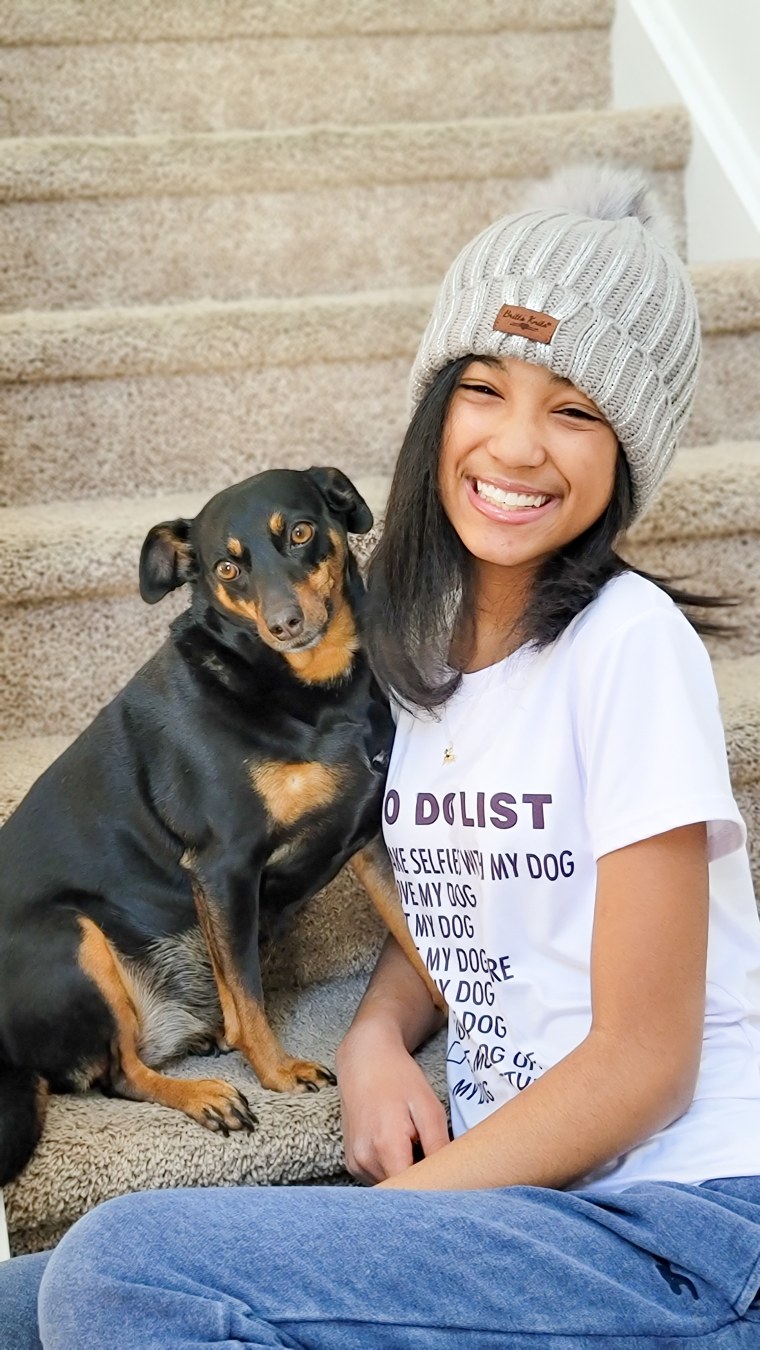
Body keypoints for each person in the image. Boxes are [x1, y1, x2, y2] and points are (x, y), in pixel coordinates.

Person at [2, 164, 760, 1348]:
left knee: (120, 1274)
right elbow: (478, 908)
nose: (516, 444)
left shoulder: (630, 648)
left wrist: (389, 1221)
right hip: (537, 1200)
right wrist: (368, 1035)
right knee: (22, 1305)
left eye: (573, 409)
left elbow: (644, 1067)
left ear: (630, 452)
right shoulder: (421, 657)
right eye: (482, 389)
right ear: (431, 408)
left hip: (686, 1222)